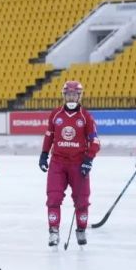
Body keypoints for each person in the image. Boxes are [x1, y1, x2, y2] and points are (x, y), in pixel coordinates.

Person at [39, 80, 100, 246]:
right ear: (64, 95)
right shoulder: (56, 114)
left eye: (74, 94)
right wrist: (44, 154)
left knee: (82, 200)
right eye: (68, 94)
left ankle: (81, 229)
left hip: (78, 164)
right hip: (57, 163)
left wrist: (88, 159)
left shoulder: (85, 117)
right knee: (53, 197)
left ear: (79, 96)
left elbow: (95, 142)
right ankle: (53, 231)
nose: (71, 97)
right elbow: (49, 136)